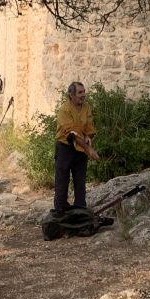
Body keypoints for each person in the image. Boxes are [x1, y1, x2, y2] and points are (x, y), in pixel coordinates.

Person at [54, 81, 99, 213]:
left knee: (80, 182)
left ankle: (80, 212)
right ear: (71, 95)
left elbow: (89, 126)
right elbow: (71, 134)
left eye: (84, 92)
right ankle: (60, 212)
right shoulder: (64, 110)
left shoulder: (86, 107)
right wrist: (88, 149)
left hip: (80, 149)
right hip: (65, 148)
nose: (83, 95)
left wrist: (89, 136)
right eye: (80, 92)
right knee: (62, 181)